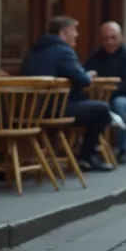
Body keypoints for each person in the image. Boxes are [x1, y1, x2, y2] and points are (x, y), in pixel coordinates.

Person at [21, 17, 116, 173]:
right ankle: (86, 157)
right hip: (52, 111)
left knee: (85, 102)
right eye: (74, 31)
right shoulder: (63, 51)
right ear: (64, 33)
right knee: (102, 109)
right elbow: (82, 80)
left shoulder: (34, 50)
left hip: (28, 111)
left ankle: (80, 154)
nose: (77, 34)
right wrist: (88, 75)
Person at [83, 22, 126, 164]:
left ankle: (124, 150)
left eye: (113, 37)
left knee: (118, 104)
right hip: (100, 98)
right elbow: (84, 74)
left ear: (121, 37)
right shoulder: (96, 56)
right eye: (105, 38)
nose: (109, 42)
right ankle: (89, 151)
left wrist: (110, 92)